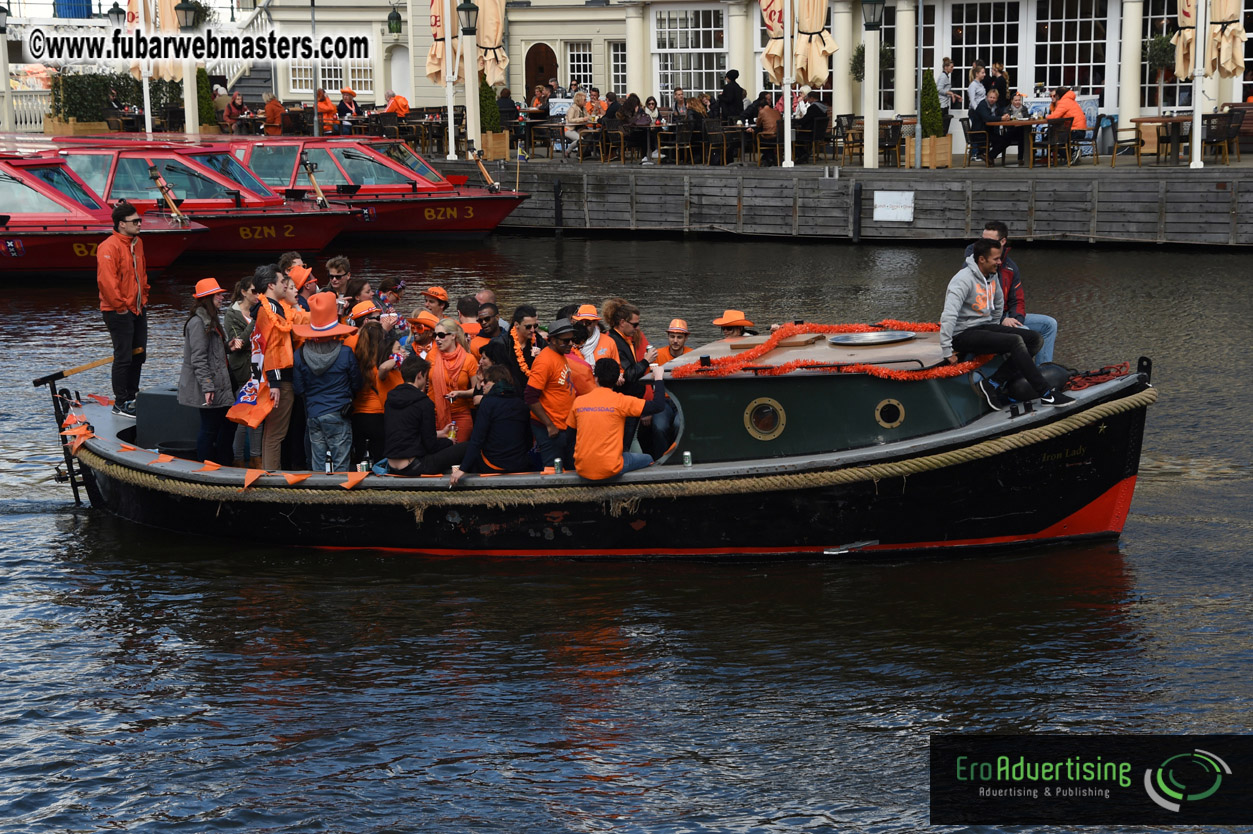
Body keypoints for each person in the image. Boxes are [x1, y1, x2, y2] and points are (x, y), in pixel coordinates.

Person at [940, 238, 1073, 409]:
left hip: (984, 326)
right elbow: (949, 315)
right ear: (982, 259)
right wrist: (946, 350)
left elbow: (998, 305)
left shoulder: (992, 276)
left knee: (1035, 339)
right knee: (1015, 340)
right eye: (995, 258)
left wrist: (997, 329)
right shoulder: (962, 280)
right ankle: (1046, 394)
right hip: (962, 334)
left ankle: (993, 383)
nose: (1000, 262)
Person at [965, 221, 1059, 364]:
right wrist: (1002, 319)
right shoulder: (977, 264)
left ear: (1003, 242)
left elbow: (1017, 299)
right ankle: (1016, 375)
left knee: (1049, 324)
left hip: (1006, 315)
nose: (984, 245)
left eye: (990, 241)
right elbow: (978, 300)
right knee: (1026, 332)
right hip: (987, 318)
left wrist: (1016, 320)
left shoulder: (1010, 267)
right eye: (983, 240)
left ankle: (1044, 370)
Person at [292, 292, 363, 472]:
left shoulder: (299, 354)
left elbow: (299, 388)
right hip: (338, 412)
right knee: (341, 464)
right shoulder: (345, 353)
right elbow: (357, 384)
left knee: (318, 463)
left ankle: (318, 497)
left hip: (314, 413)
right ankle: (339, 499)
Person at [569, 359, 667, 480]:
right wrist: (658, 378)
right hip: (611, 468)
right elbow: (658, 405)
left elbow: (571, 434)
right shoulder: (621, 401)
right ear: (617, 380)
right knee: (648, 458)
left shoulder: (578, 402)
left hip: (582, 468)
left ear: (596, 378)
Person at [97, 202, 149, 417]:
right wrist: (120, 308)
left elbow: (142, 274)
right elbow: (107, 282)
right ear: (121, 224)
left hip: (137, 308)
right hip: (118, 310)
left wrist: (144, 297)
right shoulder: (108, 247)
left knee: (139, 355)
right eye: (134, 221)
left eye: (139, 220)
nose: (139, 224)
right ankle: (121, 402)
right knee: (123, 357)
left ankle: (132, 397)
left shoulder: (138, 243)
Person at [177, 278, 236, 465]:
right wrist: (208, 387)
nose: (222, 297)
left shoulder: (209, 319)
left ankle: (220, 463)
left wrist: (228, 347)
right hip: (212, 385)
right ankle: (207, 465)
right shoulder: (198, 323)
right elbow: (198, 359)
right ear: (207, 298)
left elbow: (211, 353)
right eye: (218, 294)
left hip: (218, 383)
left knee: (222, 426)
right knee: (209, 428)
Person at [449, 365, 536, 485]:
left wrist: (462, 469)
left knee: (462, 448)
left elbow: (477, 439)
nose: (483, 385)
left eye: (485, 381)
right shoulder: (521, 404)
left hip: (493, 465)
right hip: (518, 464)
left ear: (496, 382)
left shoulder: (488, 403)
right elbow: (528, 440)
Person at [383, 355, 468, 476]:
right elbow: (431, 445)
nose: (427, 381)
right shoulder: (423, 402)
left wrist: (441, 433)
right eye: (426, 377)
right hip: (414, 465)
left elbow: (407, 431)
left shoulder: (390, 399)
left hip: (392, 464)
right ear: (419, 375)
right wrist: (449, 442)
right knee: (467, 446)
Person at [254, 265, 299, 469]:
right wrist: (276, 382)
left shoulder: (267, 308)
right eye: (282, 282)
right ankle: (271, 477)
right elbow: (272, 347)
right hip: (279, 380)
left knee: (271, 433)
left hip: (271, 377)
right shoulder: (270, 310)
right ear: (271, 285)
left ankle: (268, 473)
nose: (285, 285)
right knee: (276, 434)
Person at [603, 299, 658, 449]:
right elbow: (629, 375)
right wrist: (646, 361)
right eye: (635, 324)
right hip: (624, 403)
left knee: (630, 440)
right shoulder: (614, 342)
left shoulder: (624, 340)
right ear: (622, 322)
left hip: (630, 401)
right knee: (625, 442)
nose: (637, 328)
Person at [523, 318, 578, 467]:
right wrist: (549, 425)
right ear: (552, 340)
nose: (570, 344)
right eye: (565, 341)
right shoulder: (544, 361)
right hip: (551, 428)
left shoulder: (560, 355)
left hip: (565, 425)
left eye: (572, 340)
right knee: (553, 468)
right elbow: (530, 396)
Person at [351, 317, 404, 465]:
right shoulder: (380, 361)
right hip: (377, 414)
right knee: (379, 458)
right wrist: (399, 358)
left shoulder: (356, 358)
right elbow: (384, 369)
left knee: (360, 459)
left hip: (357, 414)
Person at [224, 276, 260, 466]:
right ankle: (239, 458)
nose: (257, 295)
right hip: (243, 368)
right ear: (244, 292)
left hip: (258, 366)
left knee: (255, 414)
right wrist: (255, 322)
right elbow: (237, 343)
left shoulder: (258, 309)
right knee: (243, 415)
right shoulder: (232, 314)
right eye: (254, 291)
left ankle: (254, 457)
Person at [429, 318, 479, 439]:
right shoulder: (432, 355)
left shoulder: (469, 359)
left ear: (453, 336)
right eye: (435, 335)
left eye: (441, 335)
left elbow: (477, 390)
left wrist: (460, 393)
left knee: (457, 453)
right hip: (433, 414)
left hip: (460, 414)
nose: (437, 339)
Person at [971, 86, 1008, 162]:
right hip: (979, 133)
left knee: (1006, 140)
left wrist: (1006, 115)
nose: (992, 99)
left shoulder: (995, 106)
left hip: (988, 131)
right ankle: (988, 156)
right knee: (1003, 140)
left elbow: (1001, 112)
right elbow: (986, 118)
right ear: (987, 97)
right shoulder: (982, 105)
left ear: (996, 99)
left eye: (994, 98)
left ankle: (989, 156)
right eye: (990, 97)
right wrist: (1001, 118)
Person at [562, 91, 596, 159]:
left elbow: (589, 117)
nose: (586, 101)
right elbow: (570, 119)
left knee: (590, 135)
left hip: (578, 129)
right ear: (579, 100)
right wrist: (582, 119)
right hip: (569, 129)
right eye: (584, 100)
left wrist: (595, 116)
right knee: (580, 139)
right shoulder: (573, 108)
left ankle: (582, 154)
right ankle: (567, 151)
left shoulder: (583, 108)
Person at [751, 98, 783, 165]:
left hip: (770, 136)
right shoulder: (776, 111)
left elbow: (758, 124)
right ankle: (769, 157)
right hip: (779, 136)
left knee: (755, 140)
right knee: (762, 137)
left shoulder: (762, 112)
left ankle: (768, 157)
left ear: (760, 107)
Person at [938, 58, 961, 136]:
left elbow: (945, 90)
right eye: (951, 67)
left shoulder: (946, 76)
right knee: (943, 129)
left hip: (944, 105)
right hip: (942, 105)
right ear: (946, 67)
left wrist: (954, 95)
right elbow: (938, 89)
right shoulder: (943, 77)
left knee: (944, 128)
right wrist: (951, 94)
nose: (953, 68)